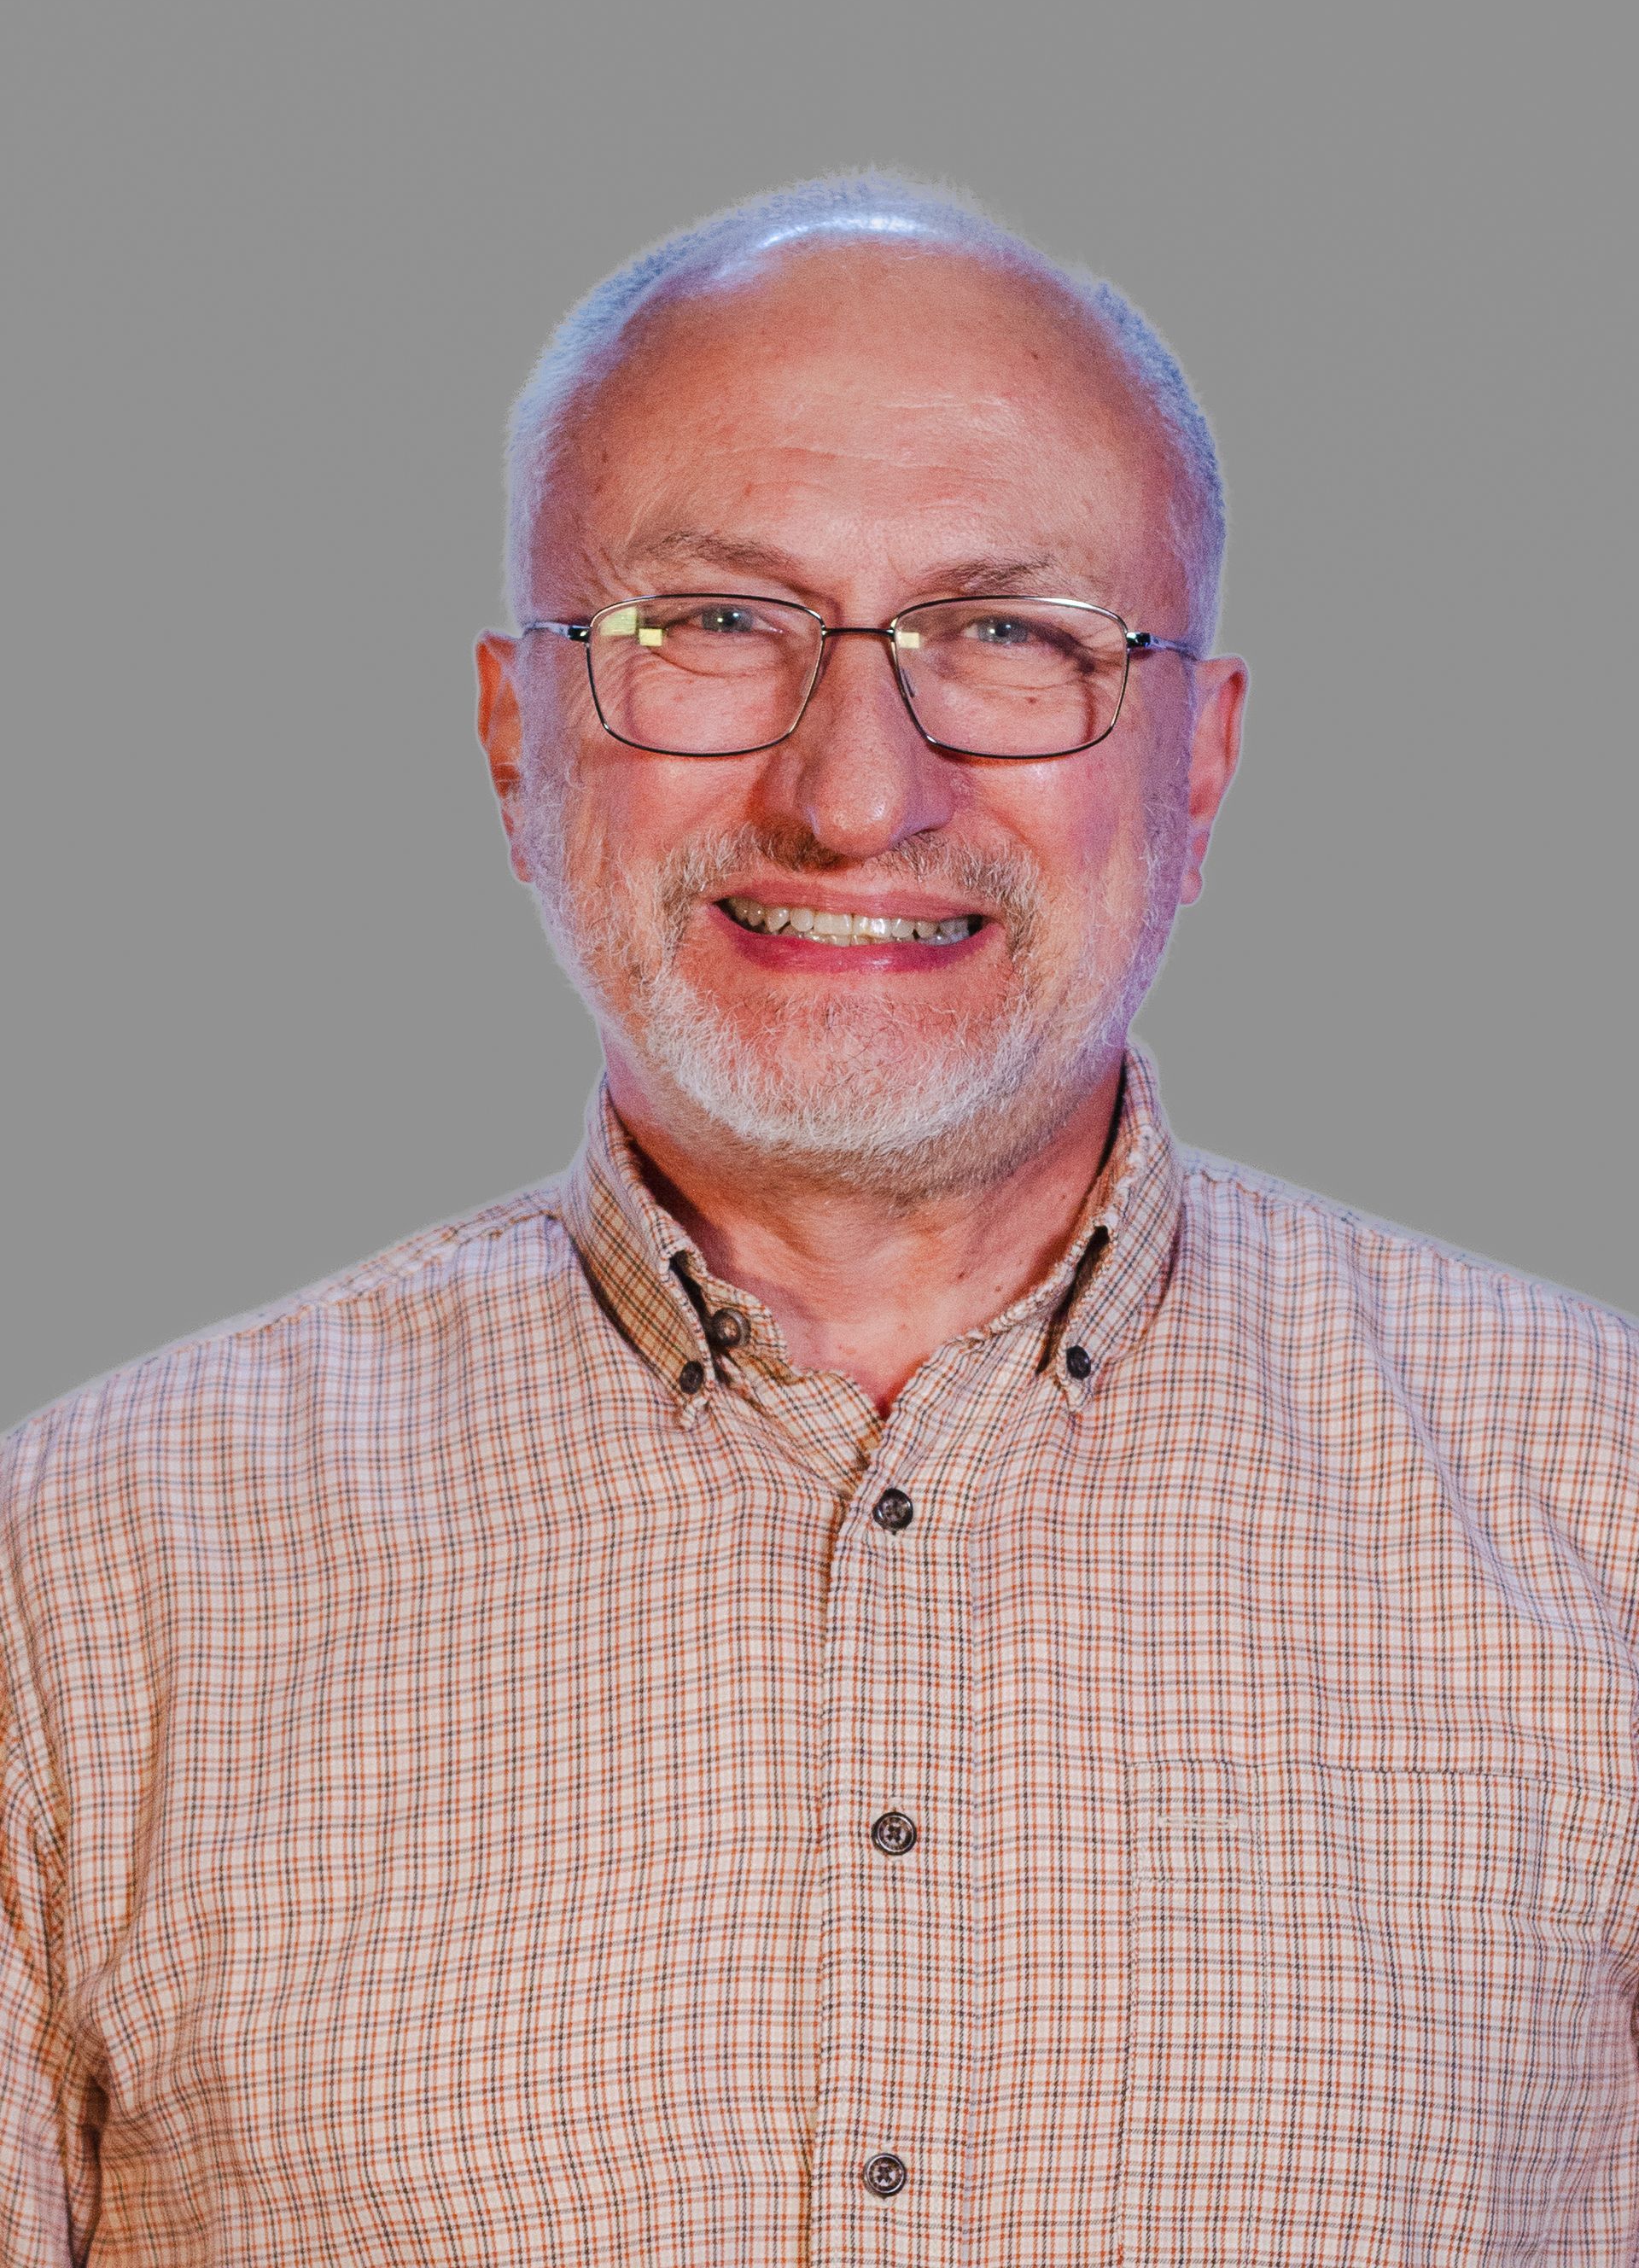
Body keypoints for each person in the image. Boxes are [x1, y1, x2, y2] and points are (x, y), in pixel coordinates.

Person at [2, 173, 1634, 2266]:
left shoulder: (1609, 1517)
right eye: (713, 627)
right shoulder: (77, 1597)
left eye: (1013, 639)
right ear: (519, 738)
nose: (859, 792)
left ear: (1201, 766)